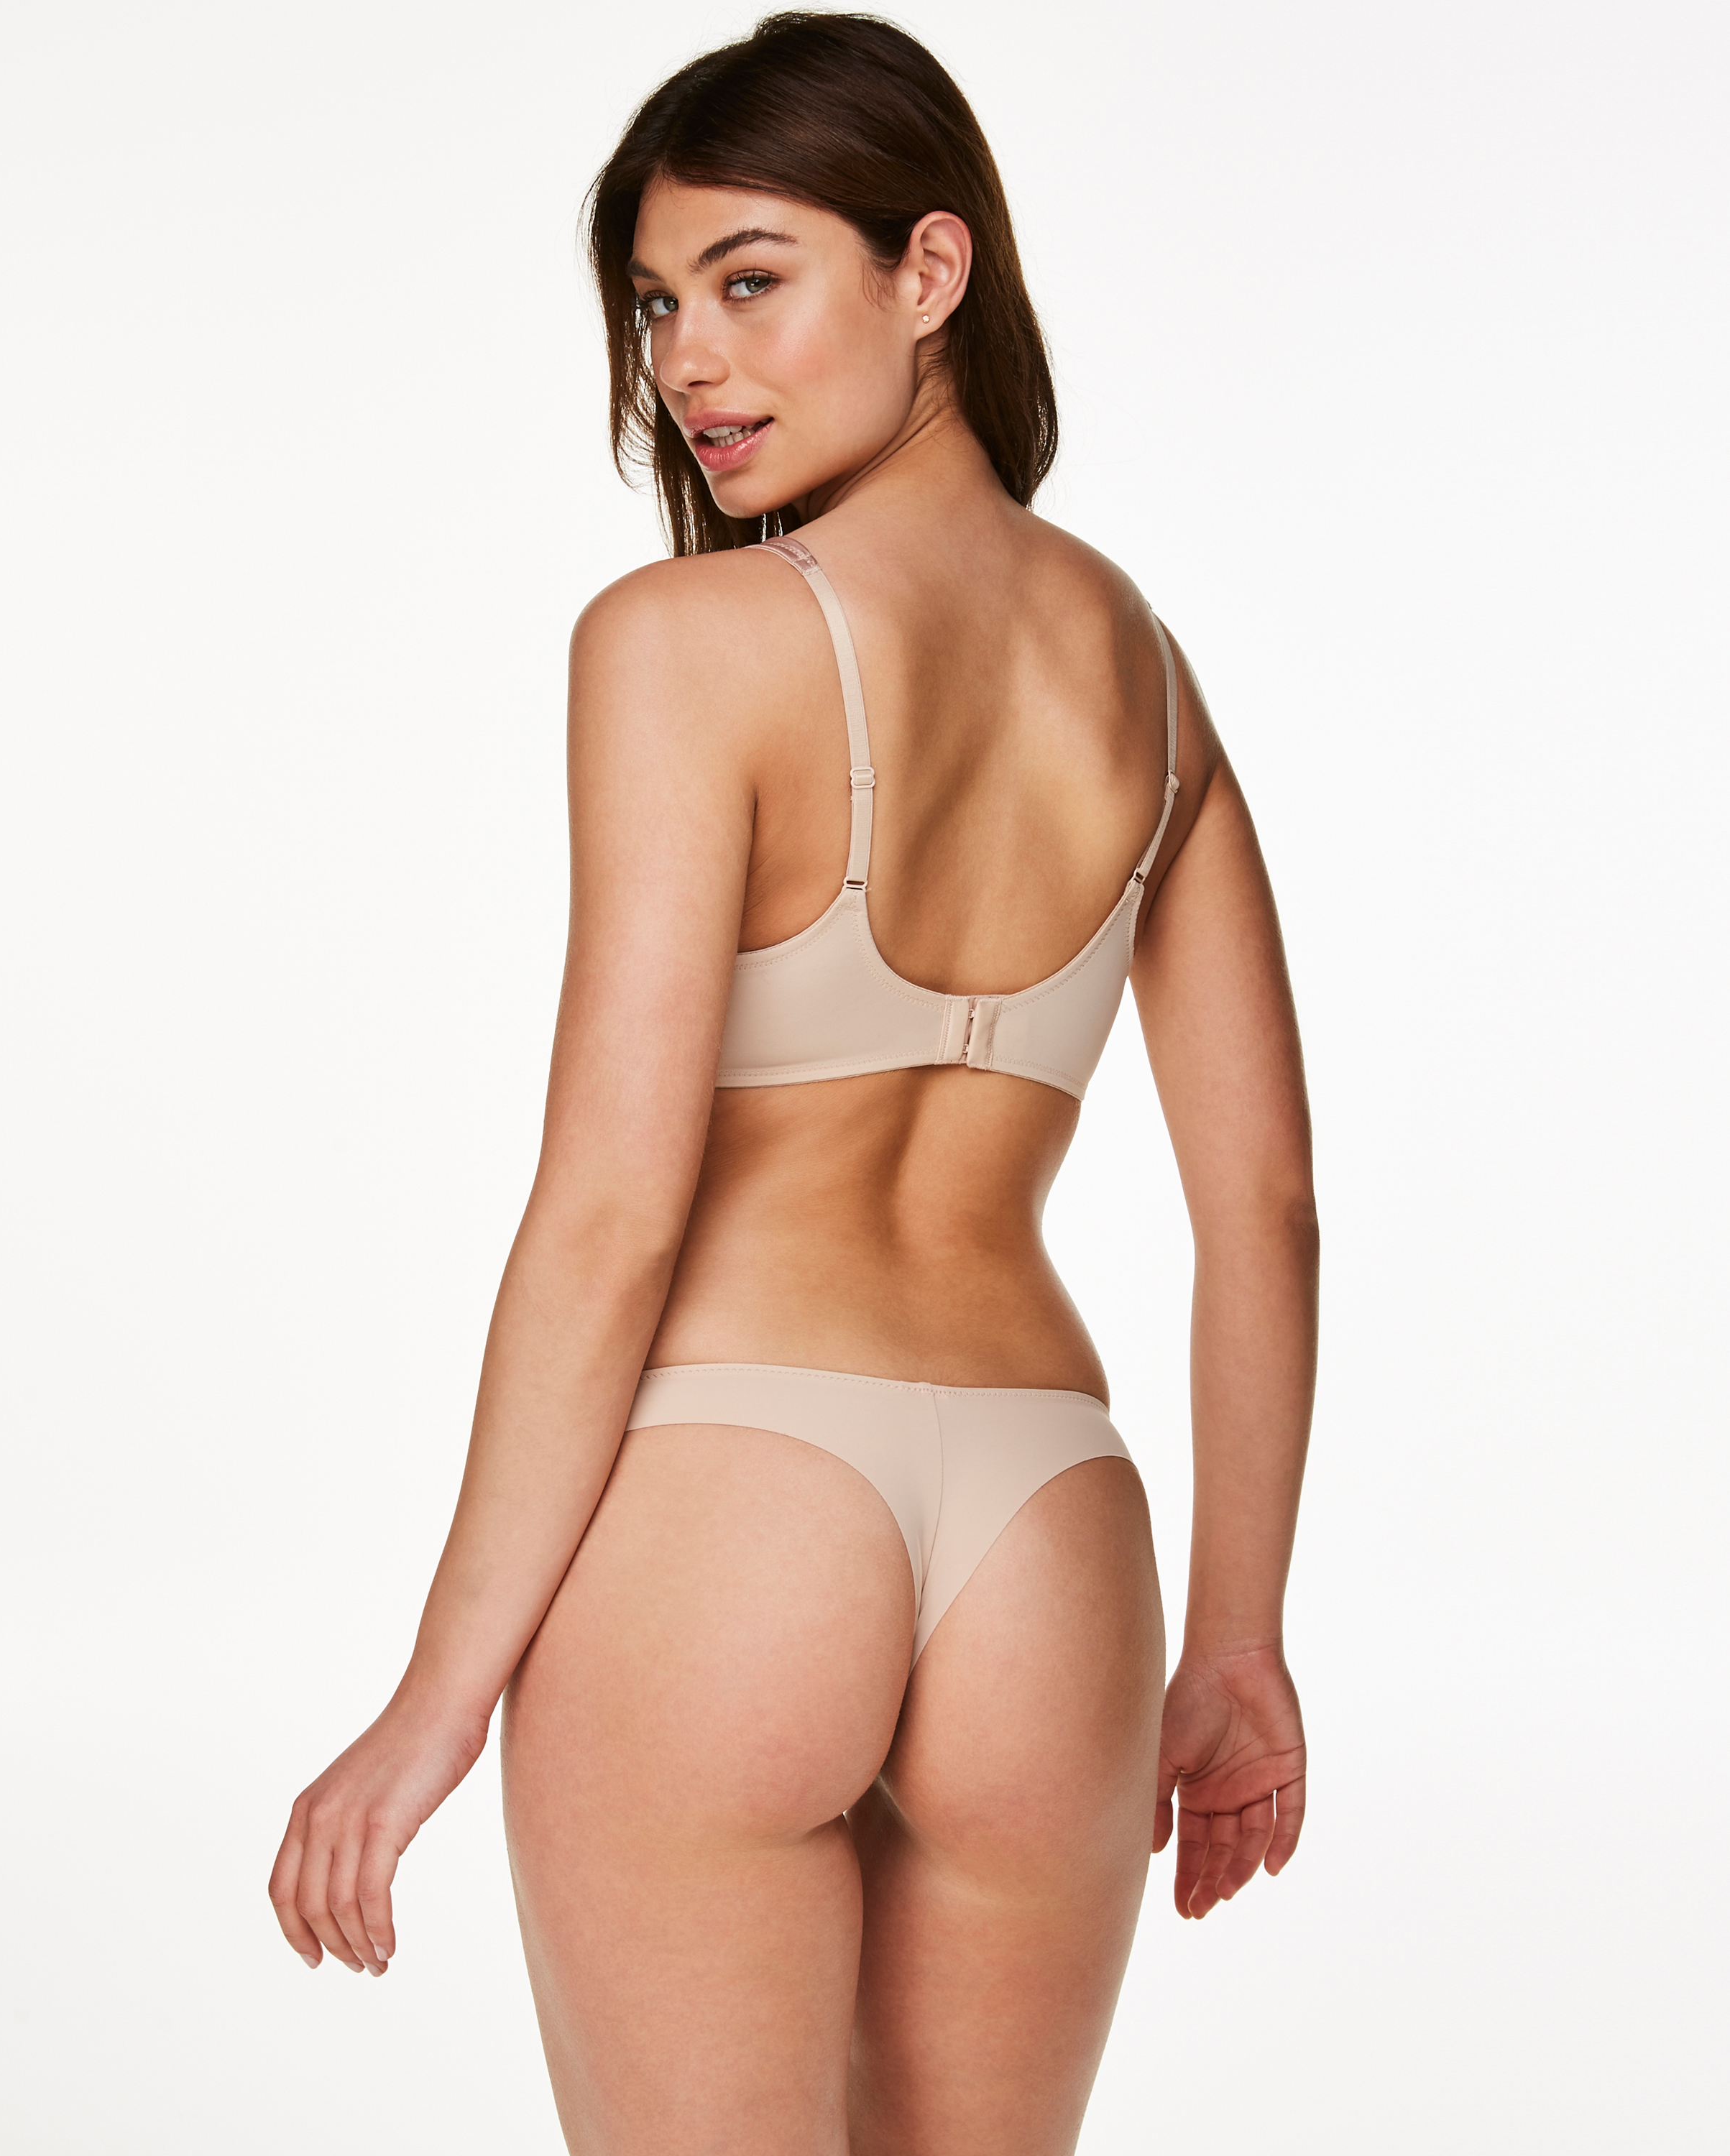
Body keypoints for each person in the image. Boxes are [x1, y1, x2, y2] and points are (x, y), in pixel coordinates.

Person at [268, 13, 1317, 2151]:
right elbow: (1268, 1214)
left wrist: (434, 1702)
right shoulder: (1147, 680)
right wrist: (1236, 1641)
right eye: (658, 306)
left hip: (733, 1508)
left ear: (931, 269)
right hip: (1054, 1528)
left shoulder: (683, 645)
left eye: (750, 281)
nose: (689, 361)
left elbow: (609, 1216)